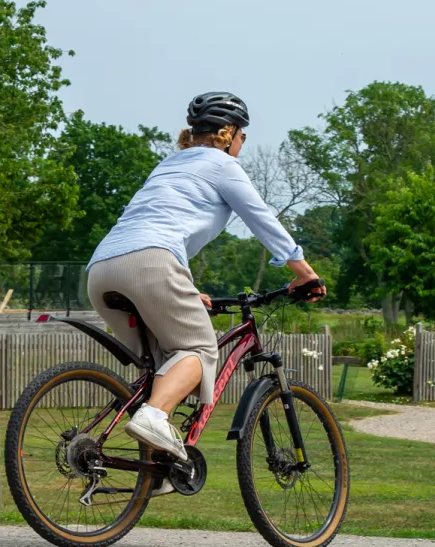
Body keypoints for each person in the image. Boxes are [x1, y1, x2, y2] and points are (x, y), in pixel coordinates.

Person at [85, 91, 324, 466]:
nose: (242, 145)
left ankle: (160, 468)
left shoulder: (169, 165)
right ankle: (153, 418)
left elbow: (159, 221)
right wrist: (304, 272)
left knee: (166, 368)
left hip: (102, 270)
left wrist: (187, 290)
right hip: (152, 263)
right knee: (199, 350)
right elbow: (261, 217)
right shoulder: (221, 164)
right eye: (243, 136)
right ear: (229, 134)